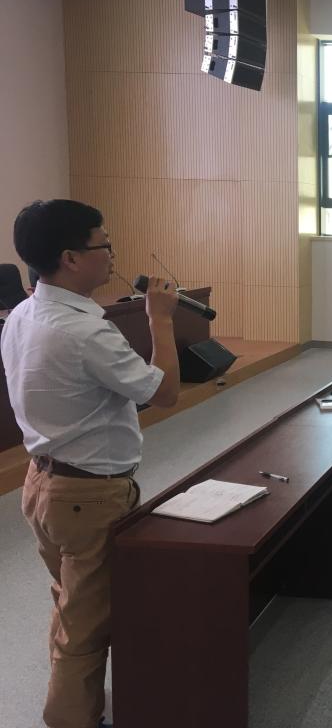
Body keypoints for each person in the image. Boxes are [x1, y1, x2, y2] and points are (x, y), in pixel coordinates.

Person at [1, 200, 181, 728]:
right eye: (103, 244)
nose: (111, 254)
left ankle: (78, 706)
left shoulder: (22, 315)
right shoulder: (83, 331)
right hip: (89, 496)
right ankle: (71, 720)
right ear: (70, 258)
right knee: (85, 628)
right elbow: (164, 392)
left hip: (42, 485)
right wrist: (159, 319)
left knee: (71, 604)